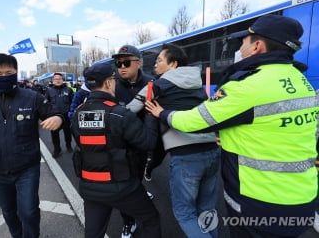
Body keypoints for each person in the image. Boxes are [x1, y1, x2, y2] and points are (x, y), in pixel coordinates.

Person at [145, 14, 318, 238]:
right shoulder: (300, 80)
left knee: (185, 210)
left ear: (257, 45)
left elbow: (193, 121)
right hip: (303, 198)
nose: (239, 48)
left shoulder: (248, 85)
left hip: (260, 202)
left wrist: (162, 113)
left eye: (243, 41)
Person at [0, 53, 63, 238]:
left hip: (27, 168)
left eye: (9, 72)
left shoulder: (33, 97)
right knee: (8, 211)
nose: (4, 76)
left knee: (29, 211)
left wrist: (57, 118)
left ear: (15, 72)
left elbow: (54, 112)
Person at [127, 43, 220, 238]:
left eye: (159, 60)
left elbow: (129, 111)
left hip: (186, 156)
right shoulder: (198, 84)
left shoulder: (156, 86)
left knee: (185, 213)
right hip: (212, 151)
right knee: (207, 210)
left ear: (173, 64)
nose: (155, 65)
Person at [71, 62, 161, 238]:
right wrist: (151, 116)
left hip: (89, 187)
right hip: (122, 187)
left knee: (93, 233)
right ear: (108, 83)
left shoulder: (77, 113)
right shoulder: (120, 113)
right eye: (113, 79)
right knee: (150, 219)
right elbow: (148, 143)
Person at [112, 44, 162, 237]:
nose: (121, 67)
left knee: (135, 181)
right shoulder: (112, 84)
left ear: (139, 63)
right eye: (118, 63)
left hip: (143, 145)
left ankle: (140, 189)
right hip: (119, 145)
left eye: (126, 62)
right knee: (124, 187)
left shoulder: (152, 83)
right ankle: (128, 222)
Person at [45, 72, 74, 157]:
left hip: (66, 116)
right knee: (54, 135)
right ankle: (57, 149)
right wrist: (48, 115)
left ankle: (68, 146)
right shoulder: (49, 90)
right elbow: (46, 103)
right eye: (56, 79)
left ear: (62, 80)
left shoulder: (68, 90)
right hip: (54, 117)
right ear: (53, 80)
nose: (57, 81)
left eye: (59, 79)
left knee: (68, 133)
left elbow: (72, 103)